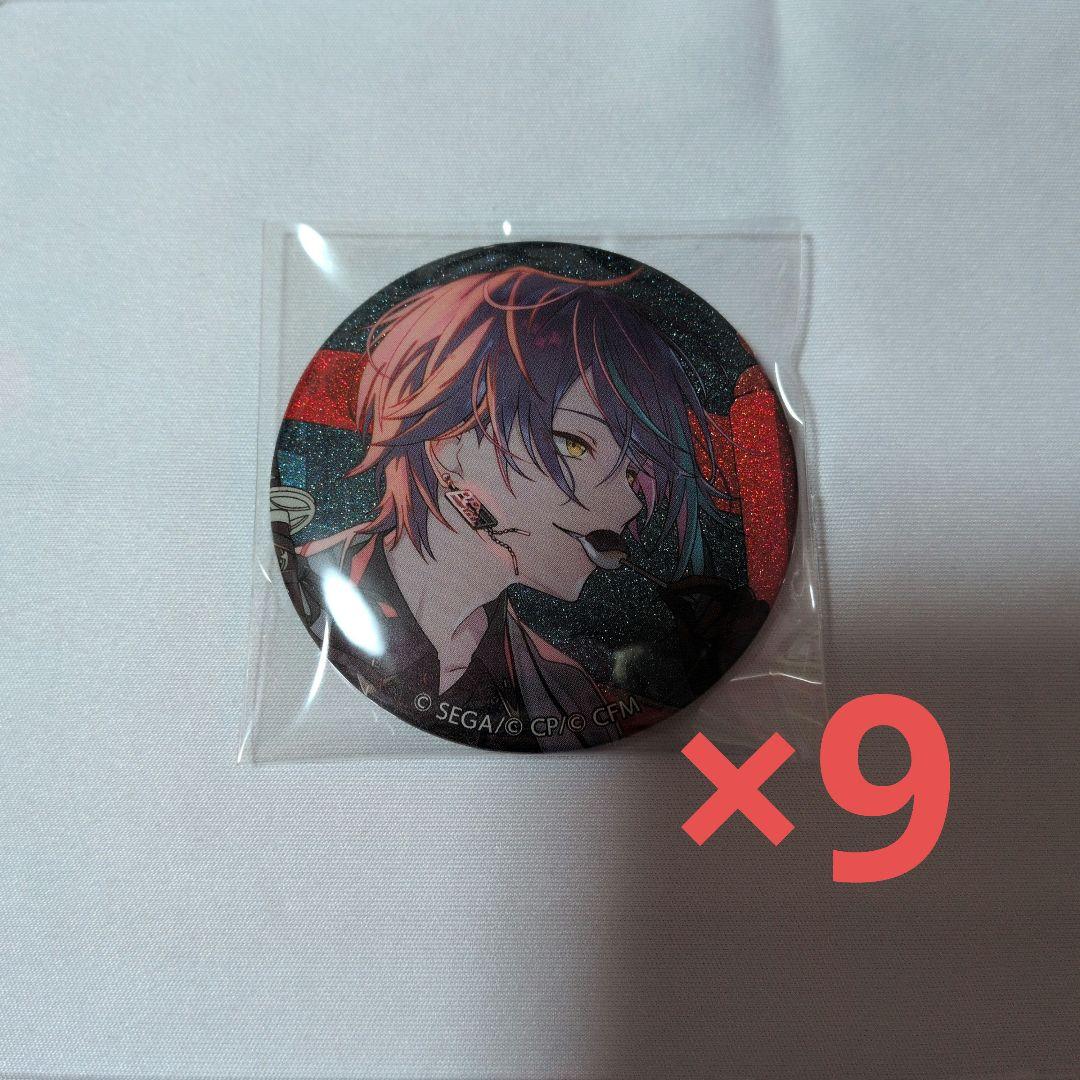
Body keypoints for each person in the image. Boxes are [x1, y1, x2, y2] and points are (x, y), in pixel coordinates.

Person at [275, 264, 763, 751]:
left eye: (635, 475)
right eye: (574, 444)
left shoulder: (564, 694)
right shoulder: (307, 595)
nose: (628, 504)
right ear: (448, 442)